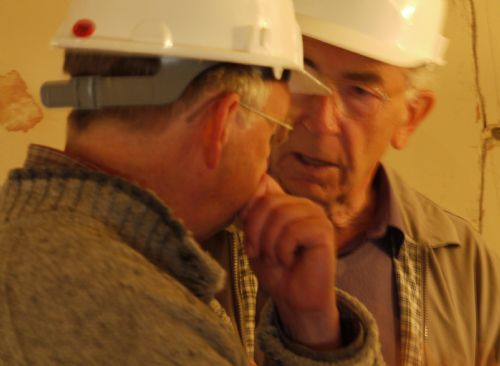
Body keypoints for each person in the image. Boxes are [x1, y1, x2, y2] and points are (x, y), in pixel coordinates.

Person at [0, 0, 385, 365]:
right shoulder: (143, 319)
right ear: (222, 123)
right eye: (272, 135)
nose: (265, 175)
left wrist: (311, 325)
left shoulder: (28, 241)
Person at [207, 0, 500, 365]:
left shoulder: (460, 261)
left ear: (411, 116)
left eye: (360, 93)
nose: (321, 120)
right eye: (300, 76)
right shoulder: (194, 230)